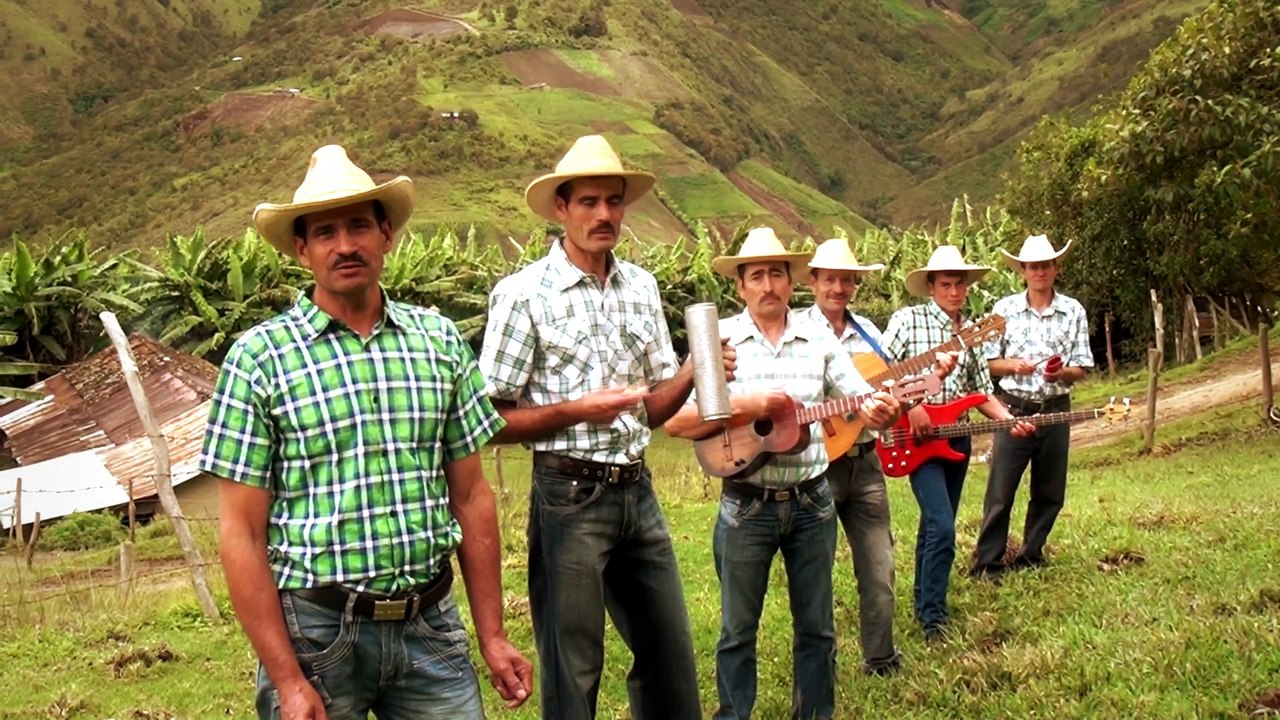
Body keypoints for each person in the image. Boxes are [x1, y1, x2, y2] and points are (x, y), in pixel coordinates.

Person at [200, 144, 532, 720]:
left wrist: (493, 632)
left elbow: (472, 496)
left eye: (358, 225)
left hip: (430, 624)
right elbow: (242, 534)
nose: (345, 244)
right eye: (325, 232)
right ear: (302, 249)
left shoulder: (438, 341)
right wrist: (287, 680)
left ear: (387, 234)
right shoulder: (259, 358)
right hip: (317, 635)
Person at [478, 134, 733, 720]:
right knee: (573, 668)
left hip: (637, 492)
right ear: (561, 209)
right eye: (588, 202)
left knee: (670, 655)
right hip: (568, 497)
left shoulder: (640, 288)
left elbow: (654, 407)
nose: (603, 215)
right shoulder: (522, 296)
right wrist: (577, 410)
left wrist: (695, 371)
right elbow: (490, 419)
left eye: (613, 202)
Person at [665, 227, 901, 720]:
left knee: (816, 626)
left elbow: (861, 392)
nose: (768, 284)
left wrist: (884, 409)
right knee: (737, 630)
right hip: (745, 504)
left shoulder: (818, 338)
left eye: (777, 273)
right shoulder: (720, 341)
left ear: (791, 281)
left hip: (814, 502)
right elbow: (678, 421)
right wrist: (747, 406)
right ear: (741, 286)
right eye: (757, 275)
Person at [881, 245, 1035, 644]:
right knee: (943, 526)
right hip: (914, 439)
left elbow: (979, 391)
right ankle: (934, 619)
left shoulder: (972, 334)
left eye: (959, 284)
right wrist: (909, 407)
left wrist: (1008, 421)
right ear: (931, 286)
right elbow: (877, 375)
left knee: (935, 525)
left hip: (956, 438)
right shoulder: (907, 321)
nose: (954, 292)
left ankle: (923, 600)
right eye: (945, 284)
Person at [803, 238, 904, 676]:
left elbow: (888, 397)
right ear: (813, 282)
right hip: (815, 465)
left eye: (847, 280)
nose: (838, 288)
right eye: (830, 279)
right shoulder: (795, 329)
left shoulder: (871, 335)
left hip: (865, 462)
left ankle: (880, 659)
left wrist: (904, 396)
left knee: (879, 568)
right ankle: (818, 665)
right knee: (814, 572)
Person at [971, 234, 1094, 579]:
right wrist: (1013, 365)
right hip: (1013, 407)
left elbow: (1081, 368)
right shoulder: (1004, 310)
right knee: (1001, 489)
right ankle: (988, 563)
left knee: (1050, 488)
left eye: (1046, 265)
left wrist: (1061, 372)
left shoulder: (1073, 310)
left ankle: (1031, 553)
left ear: (1056, 268)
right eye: (1033, 266)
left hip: (1056, 406)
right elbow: (988, 364)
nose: (1040, 272)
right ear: (1023, 271)